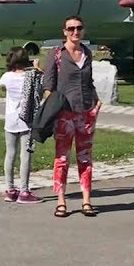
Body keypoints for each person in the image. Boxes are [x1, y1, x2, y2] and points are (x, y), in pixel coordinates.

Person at [42, 15, 102, 217]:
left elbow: (89, 81)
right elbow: (48, 85)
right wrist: (51, 110)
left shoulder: (87, 53)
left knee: (85, 158)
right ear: (64, 31)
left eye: (79, 28)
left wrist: (96, 101)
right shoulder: (56, 54)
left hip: (86, 112)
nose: (75, 32)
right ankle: (61, 201)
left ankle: (86, 200)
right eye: (71, 29)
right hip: (64, 113)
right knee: (62, 158)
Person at [0, 47, 42, 204]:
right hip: (27, 120)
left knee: (10, 154)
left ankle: (10, 189)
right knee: (26, 156)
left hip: (10, 120)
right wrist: (37, 68)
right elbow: (41, 88)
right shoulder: (31, 76)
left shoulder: (6, 77)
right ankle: (24, 190)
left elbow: (2, 87)